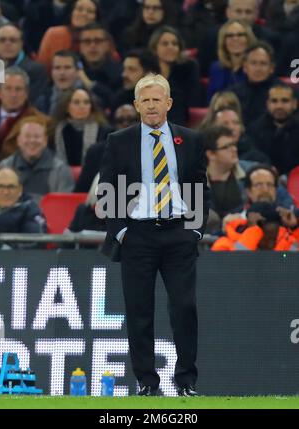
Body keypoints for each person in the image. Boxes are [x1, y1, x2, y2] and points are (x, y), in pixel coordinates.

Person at [97, 73, 210, 396]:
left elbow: (200, 189)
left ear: (169, 103)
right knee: (139, 312)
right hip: (138, 236)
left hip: (178, 235)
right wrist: (121, 233)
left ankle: (186, 382)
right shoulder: (119, 141)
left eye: (156, 99)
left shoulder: (190, 139)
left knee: (184, 308)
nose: (150, 105)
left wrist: (195, 232)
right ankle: (147, 383)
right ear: (136, 105)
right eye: (144, 100)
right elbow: (108, 191)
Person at [0, 117, 74, 204]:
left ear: (45, 141)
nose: (32, 140)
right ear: (18, 140)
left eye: (37, 136)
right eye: (27, 136)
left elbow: (62, 206)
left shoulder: (61, 170)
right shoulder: (4, 167)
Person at [75, 104, 139, 192]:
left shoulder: (148, 149)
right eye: (120, 120)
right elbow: (81, 190)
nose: (125, 124)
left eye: (131, 120)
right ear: (114, 123)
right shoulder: (96, 152)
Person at [148, 25, 202, 125]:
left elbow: (193, 99)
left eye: (175, 44)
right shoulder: (148, 71)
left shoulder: (188, 68)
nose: (170, 47)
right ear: (155, 48)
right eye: (165, 44)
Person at [0, 66, 50, 161]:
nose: (13, 94)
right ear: (0, 92)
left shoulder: (42, 121)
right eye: (8, 88)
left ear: (26, 93)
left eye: (18, 89)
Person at [247, 82, 299, 175]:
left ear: (294, 104)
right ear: (267, 104)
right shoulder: (255, 130)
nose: (279, 106)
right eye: (274, 101)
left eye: (285, 101)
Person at [37, 0, 101, 72]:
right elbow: (42, 68)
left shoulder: (102, 39)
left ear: (96, 17)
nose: (84, 14)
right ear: (71, 12)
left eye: (90, 11)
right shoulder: (53, 34)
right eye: (79, 9)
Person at [52, 88, 109, 166]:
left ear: (91, 107)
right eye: (76, 102)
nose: (82, 106)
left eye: (86, 102)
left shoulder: (104, 131)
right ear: (67, 107)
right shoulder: (58, 130)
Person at [229, 41, 280, 126]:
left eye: (263, 64)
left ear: (271, 68)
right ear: (245, 67)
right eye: (253, 63)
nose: (258, 69)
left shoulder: (284, 94)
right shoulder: (233, 94)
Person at [207, 19, 256, 101]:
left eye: (240, 35)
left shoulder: (255, 67)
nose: (235, 39)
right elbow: (210, 100)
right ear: (223, 41)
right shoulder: (216, 68)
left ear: (248, 39)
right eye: (230, 35)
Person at [0, 24, 48, 103]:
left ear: (21, 44)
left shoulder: (36, 70)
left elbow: (33, 101)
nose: (7, 44)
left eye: (13, 40)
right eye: (2, 40)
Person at [77, 23, 122, 108]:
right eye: (87, 41)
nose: (92, 46)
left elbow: (116, 101)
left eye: (98, 41)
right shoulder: (73, 69)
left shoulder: (119, 72)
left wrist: (91, 85)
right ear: (80, 46)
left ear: (108, 45)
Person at [0, 166, 46, 239]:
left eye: (11, 187)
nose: (6, 192)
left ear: (20, 189)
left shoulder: (30, 210)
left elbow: (34, 242)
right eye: (0, 186)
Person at [35, 50, 84, 116]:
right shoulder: (43, 100)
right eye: (57, 68)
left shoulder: (89, 98)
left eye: (67, 67)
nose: (62, 73)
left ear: (78, 72)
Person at [111, 49, 160, 113]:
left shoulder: (163, 98)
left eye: (131, 70)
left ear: (148, 74)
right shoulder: (119, 99)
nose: (124, 75)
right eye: (124, 69)